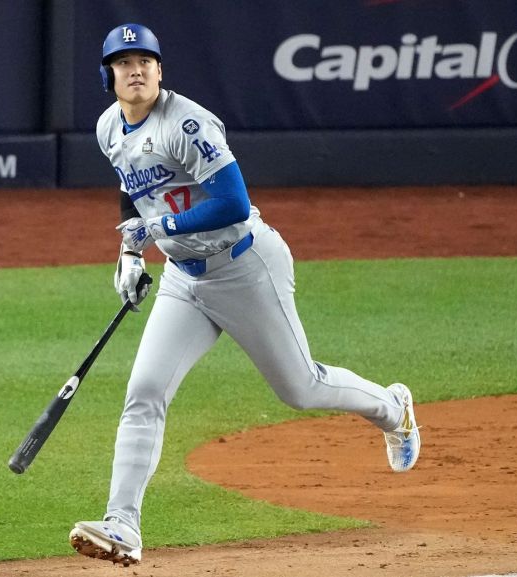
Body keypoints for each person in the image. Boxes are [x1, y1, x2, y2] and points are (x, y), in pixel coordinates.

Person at [68, 23, 421, 567]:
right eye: (123, 63)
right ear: (108, 75)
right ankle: (123, 524)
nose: (135, 70)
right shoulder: (109, 127)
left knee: (300, 388)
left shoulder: (186, 122)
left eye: (144, 61)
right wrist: (130, 255)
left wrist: (155, 233)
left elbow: (233, 202)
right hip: (185, 280)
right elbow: (132, 187)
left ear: (160, 70)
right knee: (144, 392)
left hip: (245, 266)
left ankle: (391, 407)